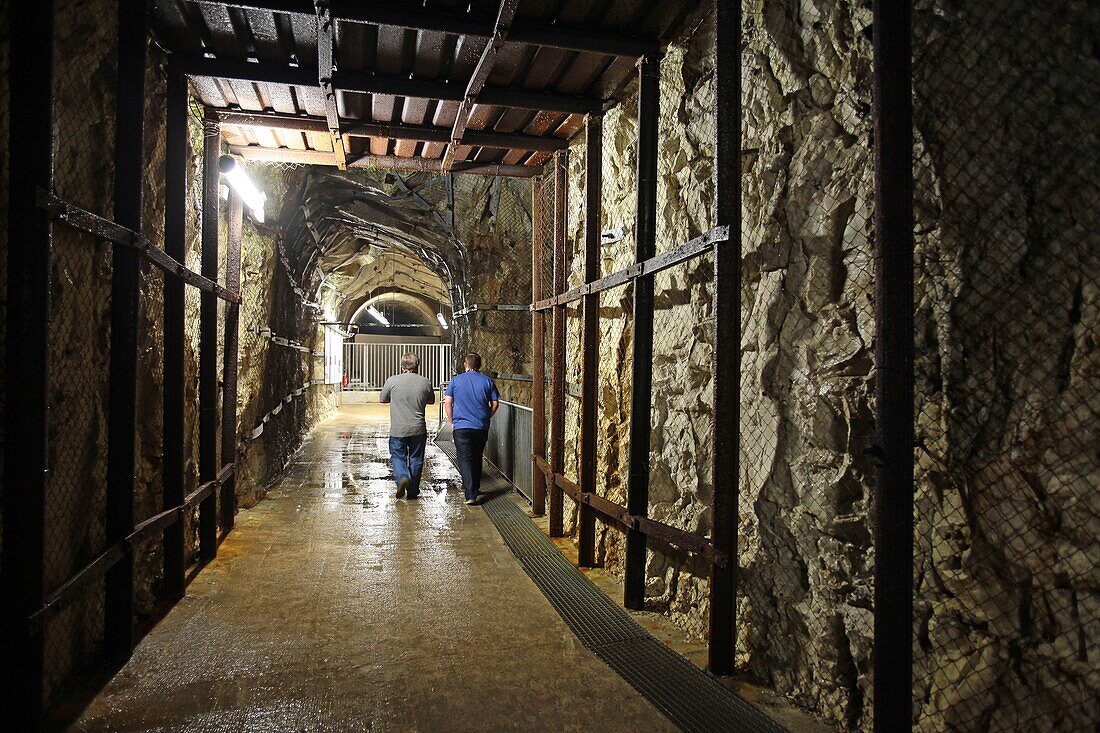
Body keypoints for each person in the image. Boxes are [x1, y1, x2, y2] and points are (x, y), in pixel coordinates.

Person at [444, 352, 499, 505]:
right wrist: (487, 416)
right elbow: (495, 403)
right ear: (479, 365)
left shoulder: (455, 381)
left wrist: (452, 421)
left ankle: (470, 494)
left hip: (461, 426)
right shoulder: (487, 381)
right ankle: (475, 488)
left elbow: (447, 403)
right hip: (480, 426)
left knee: (465, 458)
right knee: (477, 456)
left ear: (465, 364)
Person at [379, 353, 436, 500]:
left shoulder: (392, 380)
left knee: (398, 456)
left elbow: (382, 399)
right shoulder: (425, 382)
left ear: (402, 366)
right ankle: (412, 491)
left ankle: (403, 477)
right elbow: (431, 401)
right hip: (418, 428)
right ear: (417, 366)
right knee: (416, 458)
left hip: (398, 429)